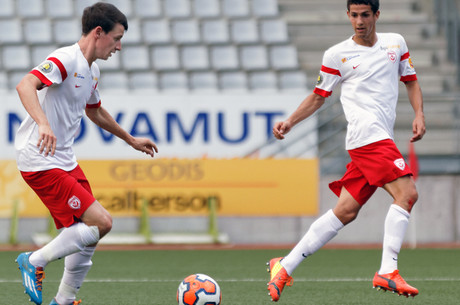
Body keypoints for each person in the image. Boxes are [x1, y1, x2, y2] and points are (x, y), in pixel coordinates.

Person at [267, 0, 426, 302]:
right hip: (368, 138)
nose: (359, 21)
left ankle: (284, 266)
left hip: (374, 140)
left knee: (346, 211)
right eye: (354, 15)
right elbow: (318, 97)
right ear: (348, 15)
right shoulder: (337, 55)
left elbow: (411, 81)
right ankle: (388, 270)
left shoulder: (396, 43)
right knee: (407, 194)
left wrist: (419, 114)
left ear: (377, 15)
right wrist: (290, 121)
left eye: (365, 15)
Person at [14, 3, 158, 305]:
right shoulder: (67, 59)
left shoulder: (91, 69)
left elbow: (95, 111)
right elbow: (25, 84)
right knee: (101, 223)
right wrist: (43, 123)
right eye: (116, 38)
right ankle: (35, 260)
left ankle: (64, 301)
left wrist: (130, 140)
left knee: (86, 235)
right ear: (98, 32)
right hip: (40, 159)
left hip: (64, 160)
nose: (118, 47)